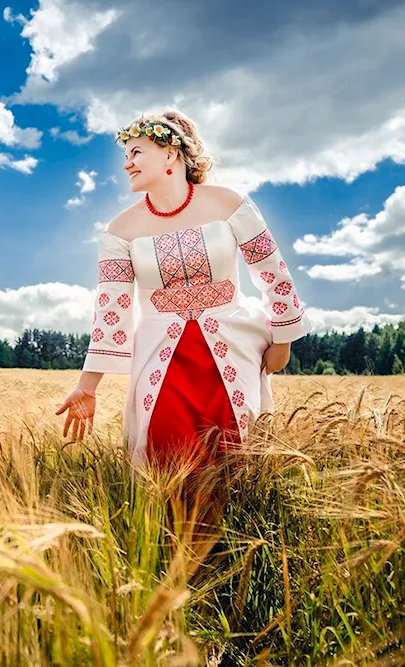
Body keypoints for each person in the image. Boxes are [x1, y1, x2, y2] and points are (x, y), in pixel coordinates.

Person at [57, 109, 311, 475]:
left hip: (234, 349)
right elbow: (112, 312)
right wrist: (87, 386)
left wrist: (283, 342)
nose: (127, 164)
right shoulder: (120, 231)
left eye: (136, 152)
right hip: (162, 359)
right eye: (125, 156)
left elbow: (272, 272)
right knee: (166, 454)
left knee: (235, 454)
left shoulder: (229, 203)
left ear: (170, 152)